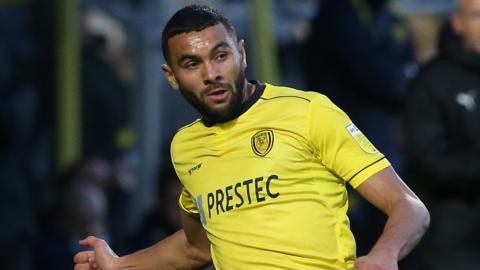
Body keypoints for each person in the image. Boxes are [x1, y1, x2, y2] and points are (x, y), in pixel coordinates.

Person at [74, 5, 429, 270]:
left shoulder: (307, 111)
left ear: (241, 54)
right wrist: (120, 265)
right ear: (171, 76)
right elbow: (198, 248)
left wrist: (384, 254)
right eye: (192, 64)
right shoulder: (185, 148)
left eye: (221, 55)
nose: (211, 73)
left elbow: (409, 207)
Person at [403, 0, 480, 269]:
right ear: (458, 23)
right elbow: (428, 160)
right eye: (477, 16)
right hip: (457, 239)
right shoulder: (431, 82)